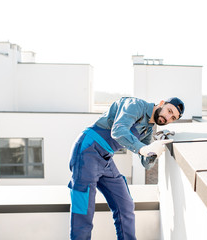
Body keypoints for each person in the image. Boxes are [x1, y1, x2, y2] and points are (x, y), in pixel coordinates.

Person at [68, 96, 185, 240]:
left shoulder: (148, 129)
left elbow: (146, 162)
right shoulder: (135, 105)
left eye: (173, 117)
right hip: (87, 150)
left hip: (105, 158)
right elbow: (118, 131)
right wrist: (143, 149)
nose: (168, 117)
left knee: (125, 205)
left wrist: (156, 149)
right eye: (169, 111)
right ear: (161, 103)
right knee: (83, 208)